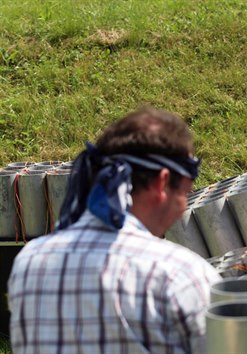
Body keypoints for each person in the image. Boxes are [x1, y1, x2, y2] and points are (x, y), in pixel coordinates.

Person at [8, 107, 222, 354]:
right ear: (163, 182)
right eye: (185, 192)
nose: (184, 205)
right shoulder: (182, 276)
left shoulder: (28, 262)